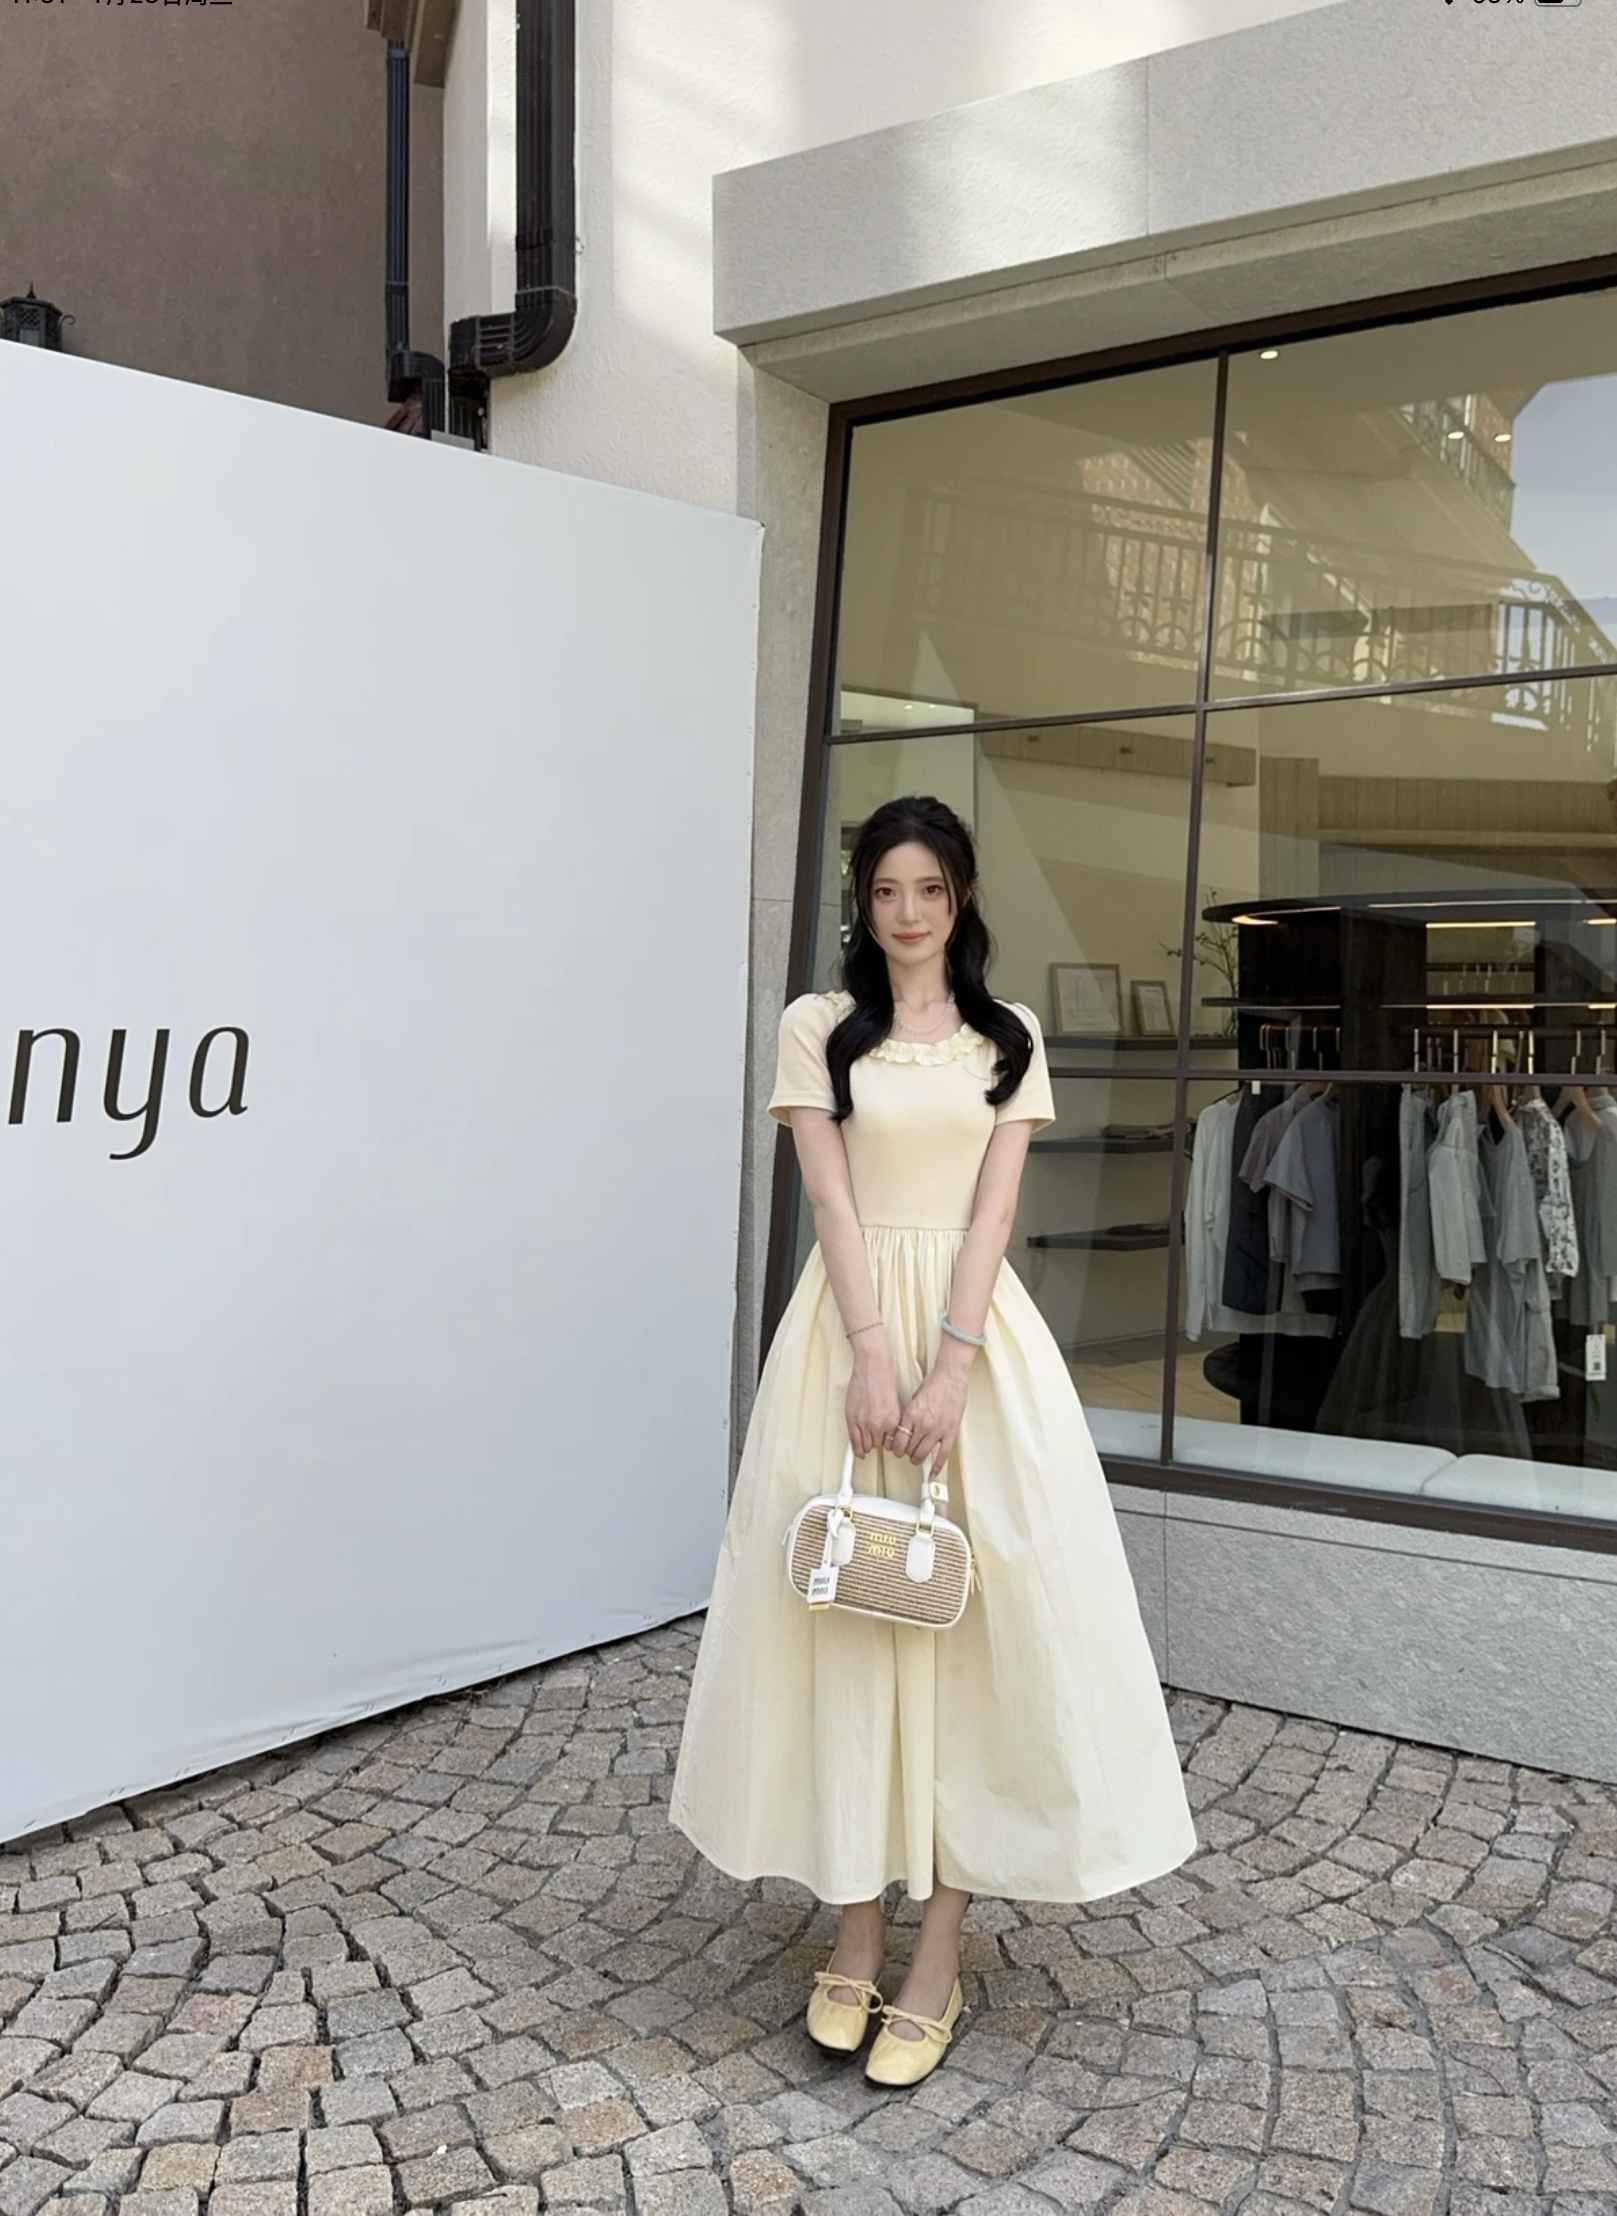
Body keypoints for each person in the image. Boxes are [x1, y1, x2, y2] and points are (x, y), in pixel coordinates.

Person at [670, 795, 1196, 2088]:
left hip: (979, 1345)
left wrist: (950, 1368)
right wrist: (870, 1352)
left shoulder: (1007, 1037)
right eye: (885, 890)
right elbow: (828, 1195)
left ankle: (937, 1954)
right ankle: (854, 1929)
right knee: (845, 1619)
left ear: (961, 899)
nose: (907, 913)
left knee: (979, 1635)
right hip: (844, 1333)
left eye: (929, 889)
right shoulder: (819, 1028)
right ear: (861, 901)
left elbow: (993, 1213)